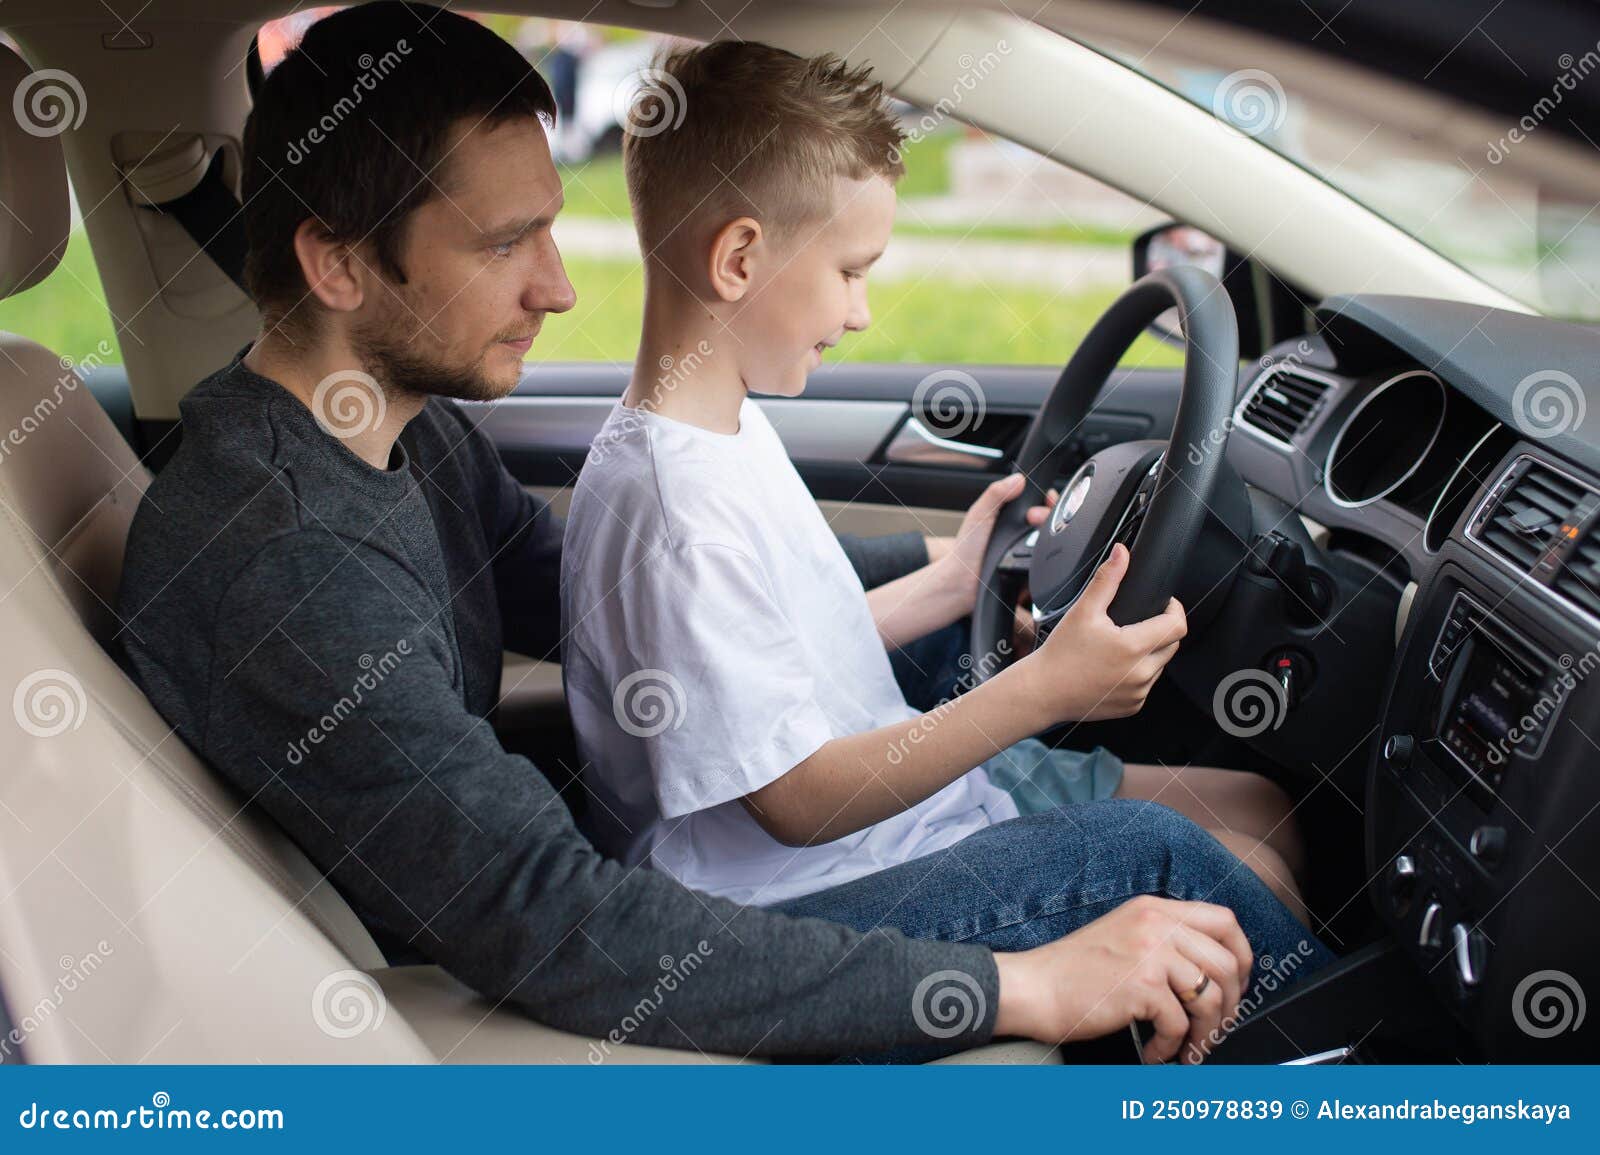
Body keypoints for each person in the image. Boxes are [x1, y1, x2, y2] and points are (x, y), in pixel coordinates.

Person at [116, 2, 1327, 1066]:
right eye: (502, 243)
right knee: (1157, 858)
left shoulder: (398, 430)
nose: (559, 286)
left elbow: (598, 614)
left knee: (1215, 826)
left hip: (651, 885)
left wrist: (937, 579)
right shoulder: (282, 561)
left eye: (551, 226)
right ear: (335, 263)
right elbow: (545, 916)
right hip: (525, 984)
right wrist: (1027, 982)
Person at [559, 40, 1308, 924]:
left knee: (1268, 812)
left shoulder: (714, 431)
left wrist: (950, 584)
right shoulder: (676, 508)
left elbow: (778, 661)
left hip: (896, 826)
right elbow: (796, 800)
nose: (862, 309)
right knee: (1237, 872)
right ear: (739, 260)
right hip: (811, 896)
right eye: (850, 271)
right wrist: (1041, 692)